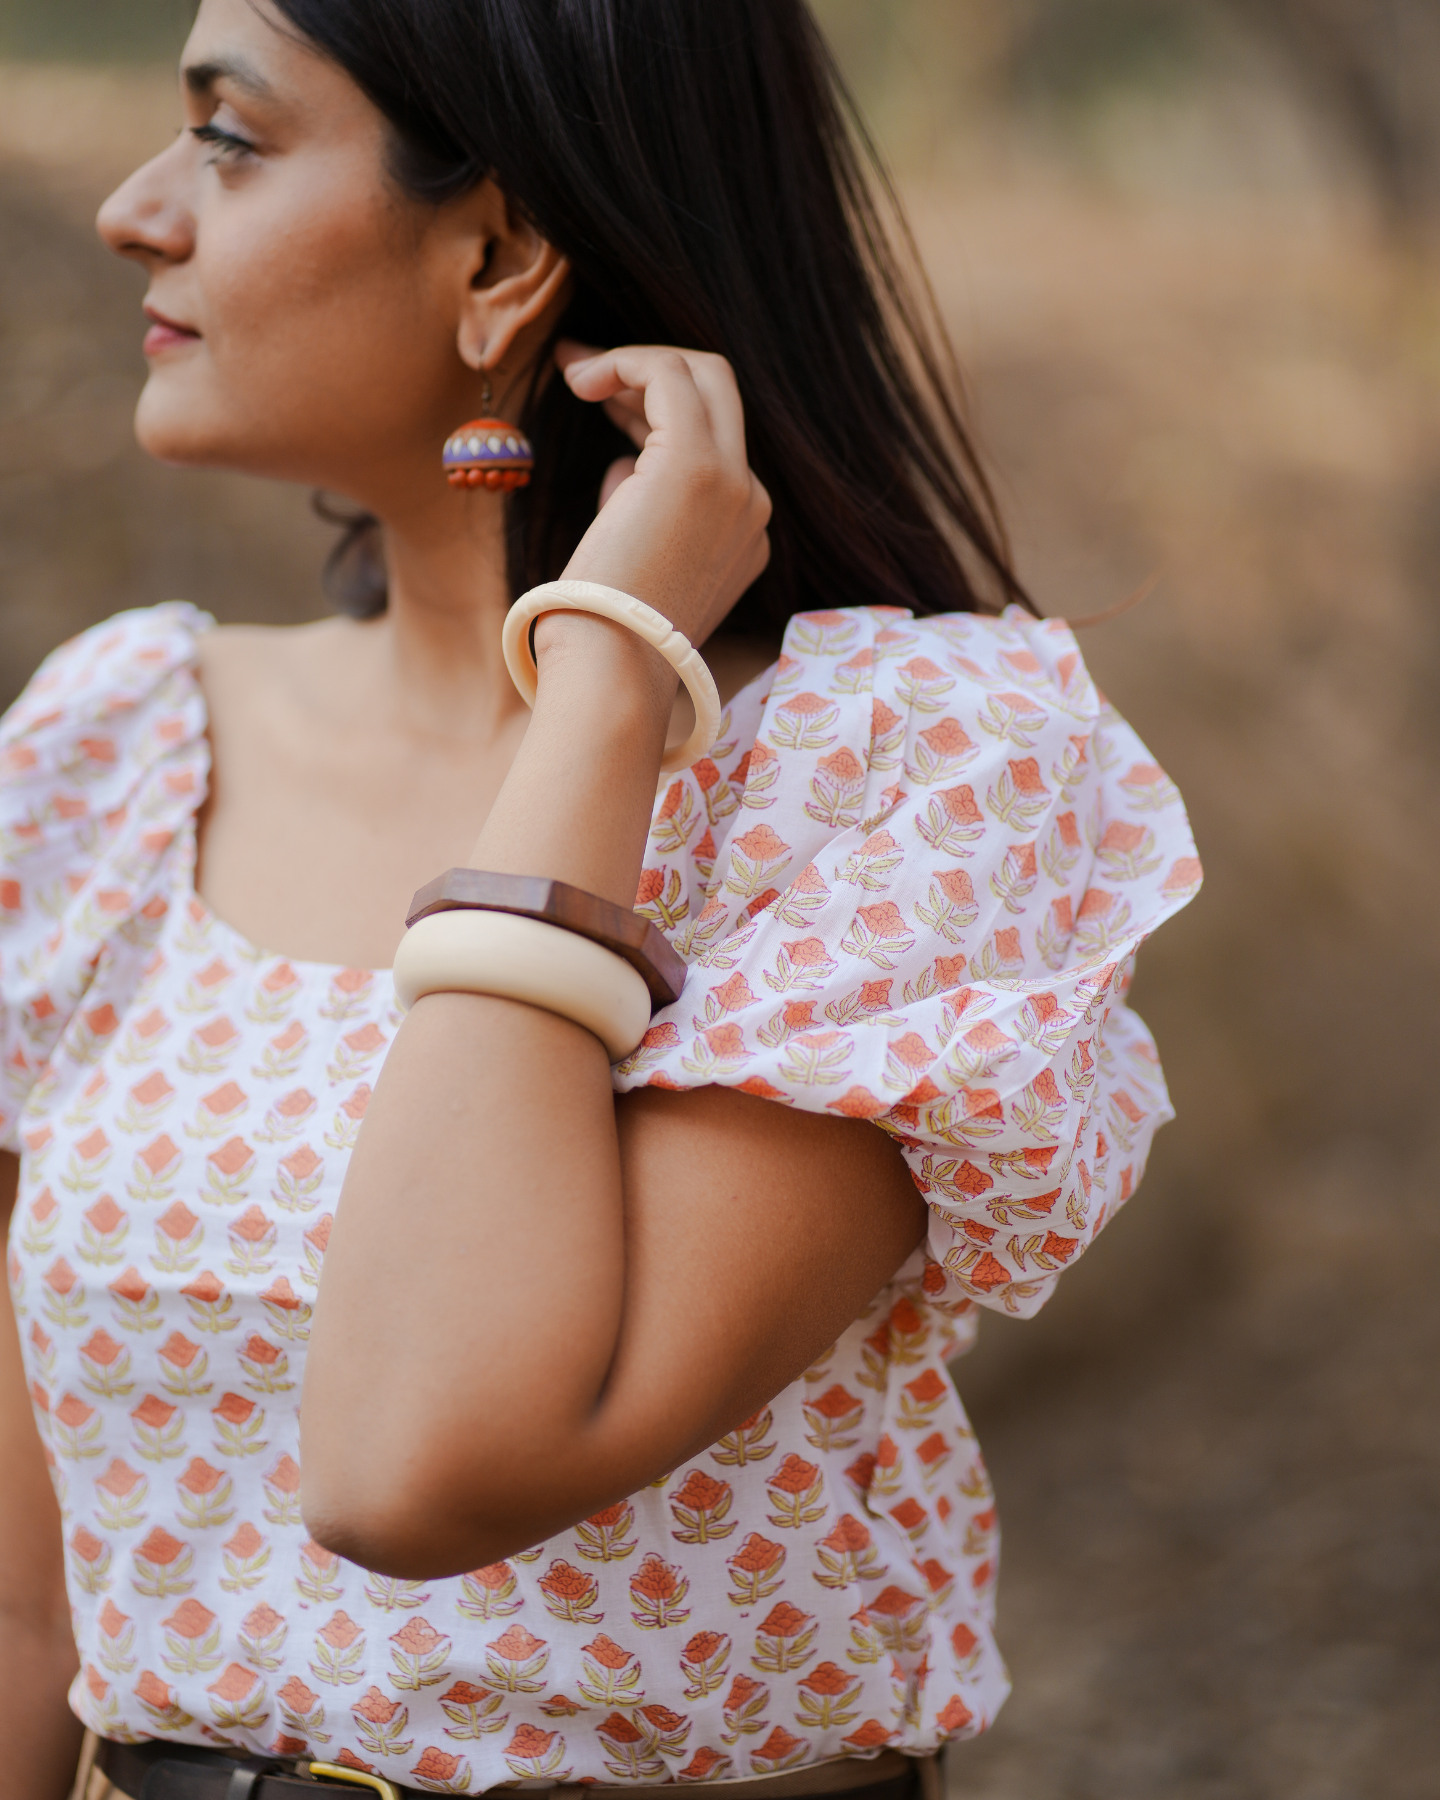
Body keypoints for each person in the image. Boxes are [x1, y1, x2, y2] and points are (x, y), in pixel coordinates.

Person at [0, 1, 1201, 1796]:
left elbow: (425, 1456)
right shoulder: (111, 749)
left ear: (498, 258)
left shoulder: (897, 782)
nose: (134, 208)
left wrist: (608, 686)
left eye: (230, 139)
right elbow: (28, 1609)